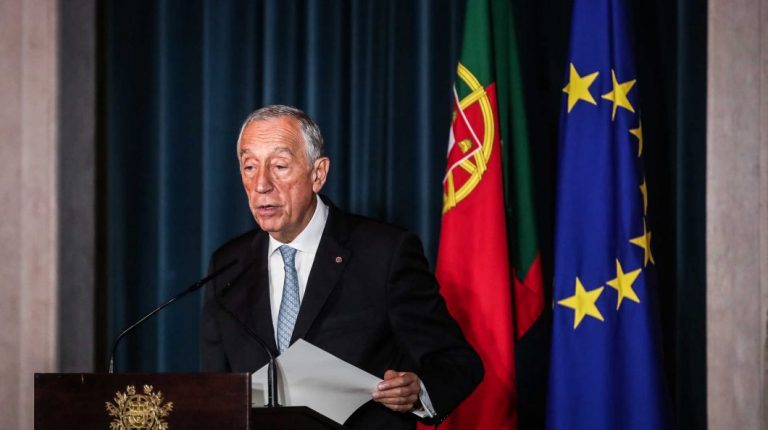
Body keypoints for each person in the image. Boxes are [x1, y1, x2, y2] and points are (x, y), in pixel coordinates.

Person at [200, 105, 483, 429]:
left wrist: (417, 392)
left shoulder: (384, 253)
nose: (261, 184)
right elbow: (215, 391)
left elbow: (457, 362)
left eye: (279, 166)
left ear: (318, 174)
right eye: (249, 167)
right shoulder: (228, 264)